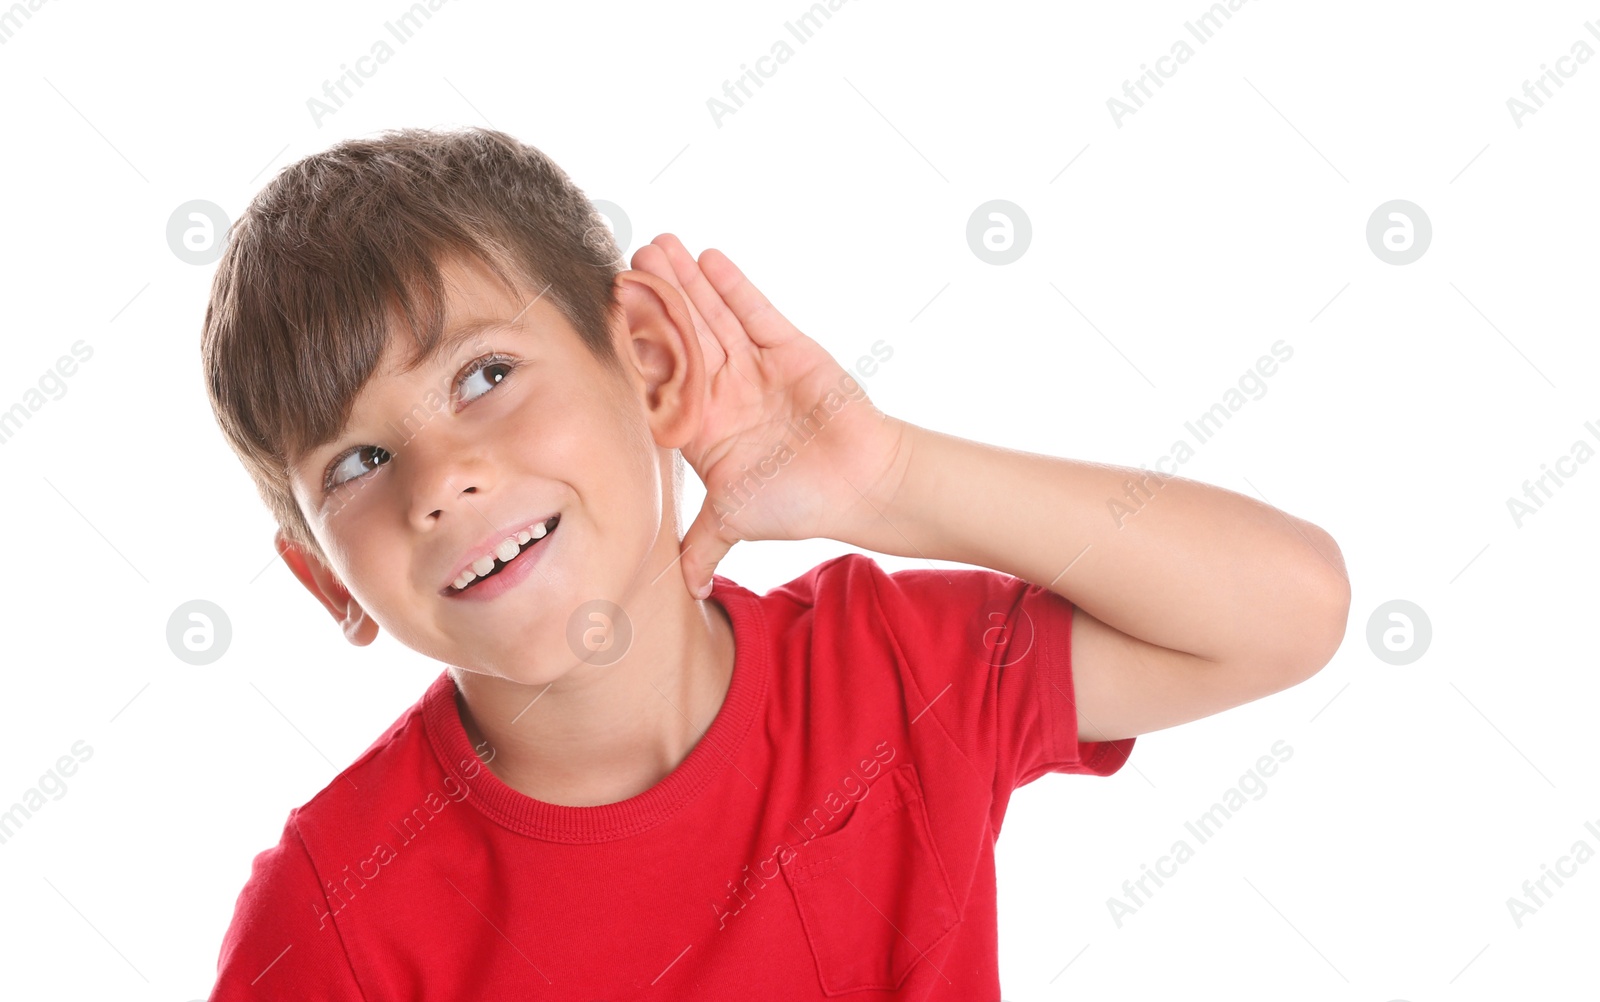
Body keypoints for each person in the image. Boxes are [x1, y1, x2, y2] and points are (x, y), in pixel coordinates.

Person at [201, 127, 1349, 999]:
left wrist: (885, 477)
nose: (440, 478)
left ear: (648, 364)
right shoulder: (332, 910)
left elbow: (1286, 611)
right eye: (357, 461)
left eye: (485, 376)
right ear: (322, 578)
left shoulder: (892, 669)